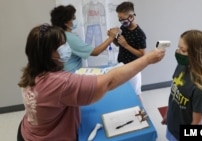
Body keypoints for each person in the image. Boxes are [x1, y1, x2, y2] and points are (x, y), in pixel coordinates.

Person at [17, 24, 165, 141]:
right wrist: (147, 59)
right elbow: (109, 82)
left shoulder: (33, 70)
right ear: (46, 54)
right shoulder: (58, 83)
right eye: (61, 46)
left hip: (28, 130)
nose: (66, 48)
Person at [161, 30, 202, 141]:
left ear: (196, 54)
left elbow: (196, 123)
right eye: (178, 48)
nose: (178, 52)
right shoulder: (182, 66)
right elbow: (173, 94)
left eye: (183, 50)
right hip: (172, 125)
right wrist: (167, 114)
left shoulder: (200, 88)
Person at [50, 5, 120, 72]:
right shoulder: (68, 38)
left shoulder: (57, 35)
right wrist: (111, 37)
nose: (75, 21)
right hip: (70, 75)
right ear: (66, 23)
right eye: (73, 19)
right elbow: (95, 52)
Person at [112, 1, 146, 101]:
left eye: (122, 18)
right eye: (119, 18)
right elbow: (119, 44)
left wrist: (126, 45)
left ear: (131, 17)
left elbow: (142, 54)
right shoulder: (124, 27)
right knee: (124, 91)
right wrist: (113, 37)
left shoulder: (140, 34)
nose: (120, 21)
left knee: (136, 93)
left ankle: (142, 114)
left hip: (134, 68)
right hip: (122, 64)